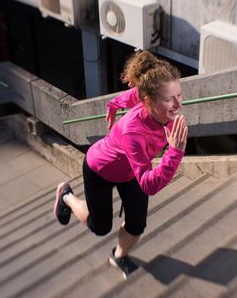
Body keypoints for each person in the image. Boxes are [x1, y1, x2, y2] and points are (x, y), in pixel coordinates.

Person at [53, 50, 188, 278]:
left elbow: (124, 97)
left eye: (179, 95)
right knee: (100, 227)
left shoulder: (146, 94)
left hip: (131, 171)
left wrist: (113, 107)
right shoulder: (133, 131)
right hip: (100, 169)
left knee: (137, 224)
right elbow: (148, 185)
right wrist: (175, 152)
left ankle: (118, 256)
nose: (177, 105)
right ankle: (66, 195)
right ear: (149, 102)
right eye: (169, 99)